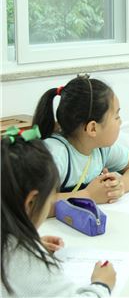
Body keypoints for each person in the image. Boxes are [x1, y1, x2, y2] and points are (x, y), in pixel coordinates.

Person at [1, 126, 116, 297]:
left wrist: (28, 241)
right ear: (31, 202)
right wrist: (101, 285)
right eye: (51, 197)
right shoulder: (30, 266)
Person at [32, 74, 129, 209]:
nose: (121, 121)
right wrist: (88, 195)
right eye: (117, 116)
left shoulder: (100, 149)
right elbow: (32, 205)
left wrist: (119, 186)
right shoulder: (56, 155)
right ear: (92, 128)